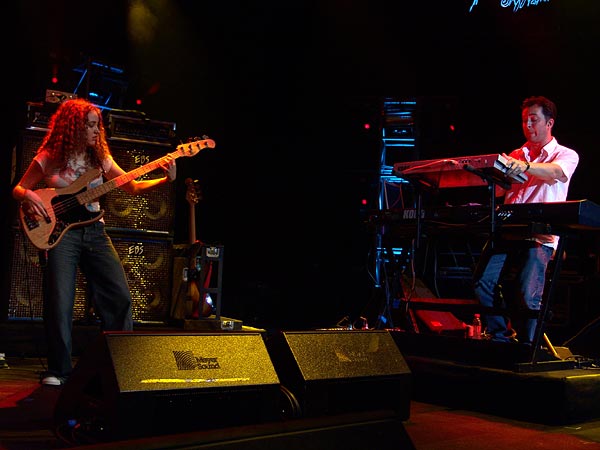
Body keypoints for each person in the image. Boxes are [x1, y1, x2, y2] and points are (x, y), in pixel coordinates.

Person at [12, 98, 176, 385]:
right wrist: (28, 196)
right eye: (89, 125)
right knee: (61, 302)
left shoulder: (100, 158)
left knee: (119, 297)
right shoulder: (49, 156)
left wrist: (164, 180)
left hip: (95, 231)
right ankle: (59, 371)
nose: (95, 130)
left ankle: (119, 366)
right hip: (60, 234)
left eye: (96, 125)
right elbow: (19, 188)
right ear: (73, 126)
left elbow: (132, 186)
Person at [473, 96, 579, 344]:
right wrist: (491, 176)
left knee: (527, 293)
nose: (528, 125)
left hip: (539, 234)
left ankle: (528, 346)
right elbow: (501, 192)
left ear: (549, 123)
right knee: (482, 282)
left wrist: (524, 166)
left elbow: (555, 172)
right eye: (524, 120)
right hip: (509, 229)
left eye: (533, 119)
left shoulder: (565, 154)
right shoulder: (516, 154)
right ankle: (500, 337)